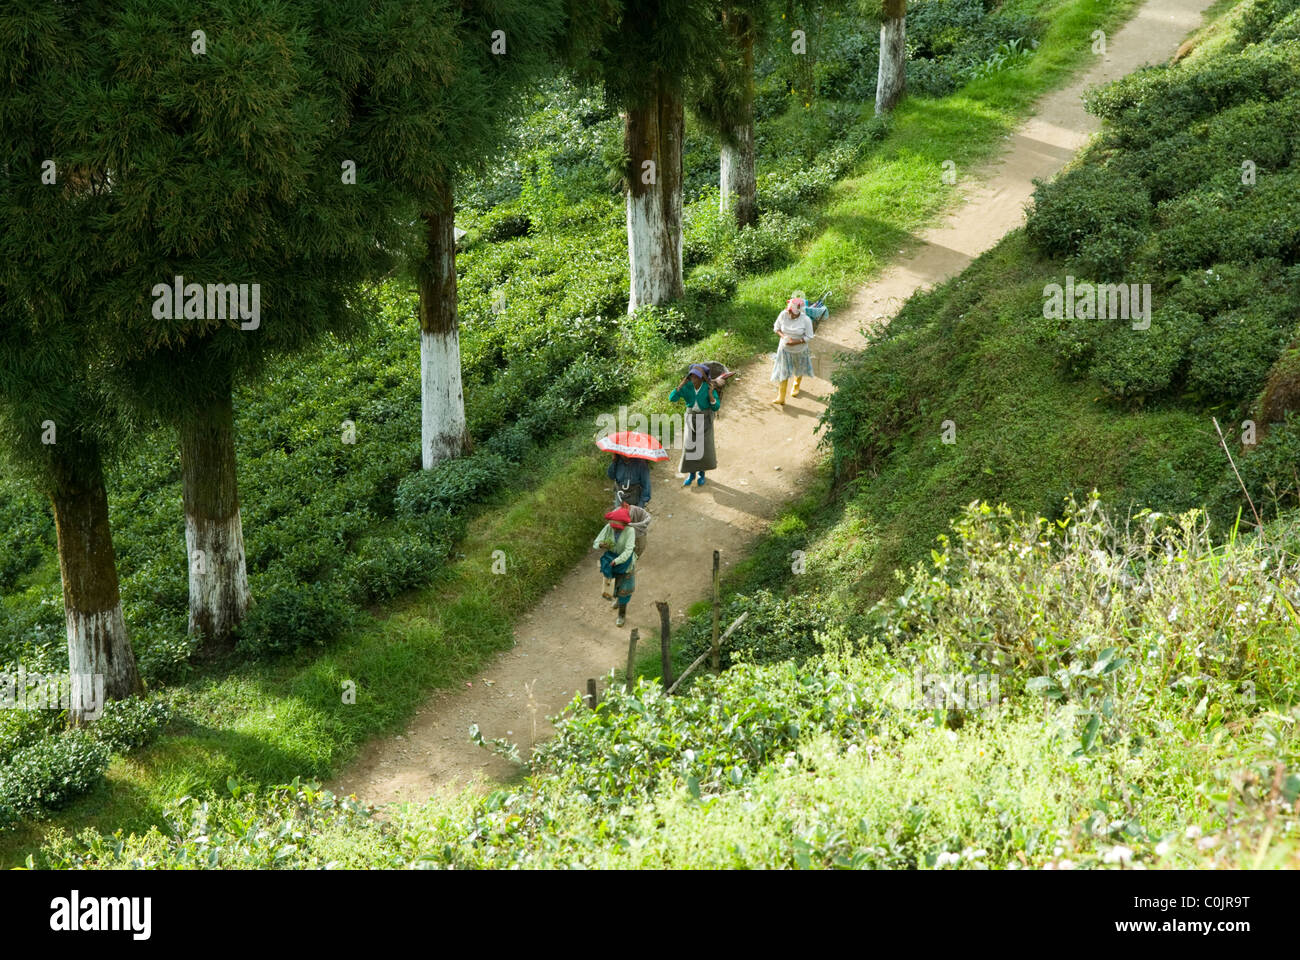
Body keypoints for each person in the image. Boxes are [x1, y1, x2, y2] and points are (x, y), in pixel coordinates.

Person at [669, 363, 720, 486]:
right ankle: (691, 474)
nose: (694, 379)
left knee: (703, 448)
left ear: (702, 378)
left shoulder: (708, 388)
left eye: (696, 377)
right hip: (690, 418)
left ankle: (701, 474)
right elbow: (672, 398)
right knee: (690, 447)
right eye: (691, 377)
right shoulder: (687, 387)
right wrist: (680, 386)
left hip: (705, 418)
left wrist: (711, 395)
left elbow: (716, 407)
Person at [593, 505, 637, 627]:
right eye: (614, 528)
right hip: (611, 560)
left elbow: (629, 551)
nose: (616, 530)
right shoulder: (608, 527)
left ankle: (621, 615)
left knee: (624, 589)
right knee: (613, 585)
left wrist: (617, 561)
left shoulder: (630, 531)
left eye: (619, 528)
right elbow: (596, 542)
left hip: (625, 563)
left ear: (625, 524)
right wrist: (601, 545)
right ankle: (617, 600)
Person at [771, 294, 815, 405]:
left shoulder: (806, 320)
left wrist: (795, 342)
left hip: (800, 350)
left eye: (791, 311)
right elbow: (776, 328)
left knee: (798, 369)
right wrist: (784, 337)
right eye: (789, 310)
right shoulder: (783, 314)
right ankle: (781, 397)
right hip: (784, 350)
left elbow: (809, 336)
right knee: (783, 372)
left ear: (798, 311)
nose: (789, 312)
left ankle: (796, 385)